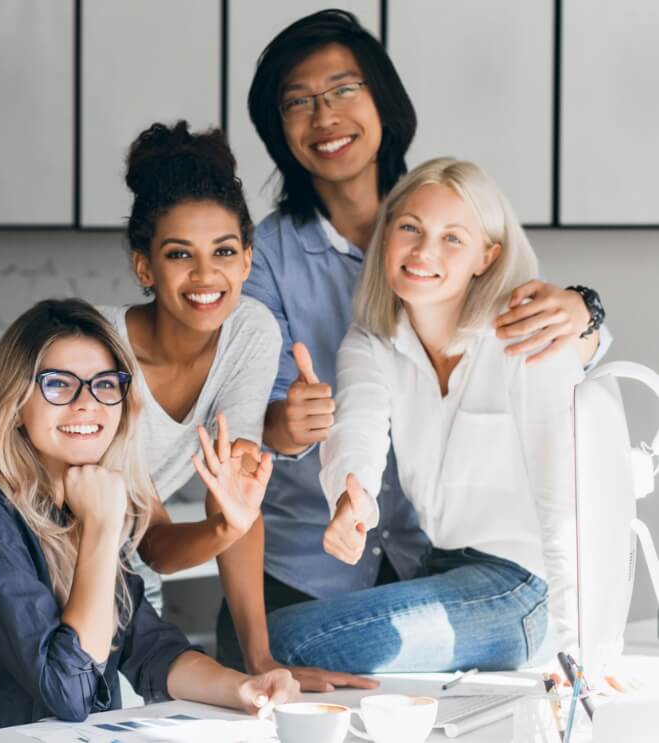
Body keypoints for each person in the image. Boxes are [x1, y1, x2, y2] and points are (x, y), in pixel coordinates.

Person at [216, 9, 610, 671]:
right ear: (277, 129)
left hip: (455, 568)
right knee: (260, 661)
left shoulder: (454, 214)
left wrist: (587, 317)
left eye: (344, 89)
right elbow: (287, 423)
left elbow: (547, 352)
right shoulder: (271, 265)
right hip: (311, 566)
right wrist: (298, 437)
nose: (325, 115)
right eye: (299, 103)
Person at [0, 299, 298, 743]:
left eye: (104, 385)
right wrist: (101, 527)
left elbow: (150, 648)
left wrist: (243, 688)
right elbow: (69, 689)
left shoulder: (84, 499)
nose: (86, 404)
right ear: (15, 404)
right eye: (59, 385)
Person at [267, 157, 580, 671]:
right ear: (387, 234)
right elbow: (358, 428)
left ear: (487, 255)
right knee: (260, 638)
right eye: (410, 227)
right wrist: (353, 504)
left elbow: (566, 497)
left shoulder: (528, 338)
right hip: (443, 567)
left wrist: (574, 644)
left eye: (452, 238)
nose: (423, 251)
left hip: (528, 588)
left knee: (289, 642)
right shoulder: (371, 341)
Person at [101, 121, 372, 692]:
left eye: (224, 251)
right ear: (144, 267)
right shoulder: (99, 353)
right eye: (180, 254)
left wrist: (261, 658)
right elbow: (157, 543)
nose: (206, 276)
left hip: (120, 573)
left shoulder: (248, 331)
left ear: (248, 260)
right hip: (25, 565)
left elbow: (238, 494)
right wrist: (227, 521)